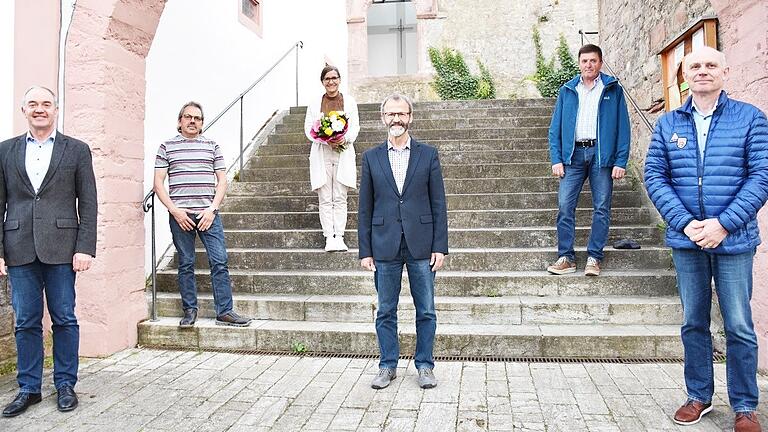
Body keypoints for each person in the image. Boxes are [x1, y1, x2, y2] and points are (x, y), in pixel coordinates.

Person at [644, 46, 767, 432]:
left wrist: (723, 224)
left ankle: (745, 405)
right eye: (694, 66)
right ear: (684, 75)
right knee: (693, 321)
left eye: (710, 65)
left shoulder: (750, 119)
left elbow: (761, 176)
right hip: (687, 241)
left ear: (725, 72)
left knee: (739, 325)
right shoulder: (667, 124)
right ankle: (698, 396)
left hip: (733, 240)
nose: (702, 71)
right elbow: (654, 176)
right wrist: (684, 223)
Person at [0, 86, 97, 417]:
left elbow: (89, 202)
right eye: (33, 104)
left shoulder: (77, 150)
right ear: (23, 110)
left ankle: (66, 384)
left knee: (64, 318)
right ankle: (29, 388)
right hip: (18, 248)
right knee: (26, 320)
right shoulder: (5, 150)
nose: (39, 109)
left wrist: (85, 247)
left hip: (62, 249)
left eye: (46, 104)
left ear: (56, 109)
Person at [358, 93, 448, 390]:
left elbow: (439, 204)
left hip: (422, 244)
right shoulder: (371, 157)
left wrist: (440, 246)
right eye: (391, 114)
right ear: (383, 118)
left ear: (410, 116)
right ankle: (387, 366)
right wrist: (365, 250)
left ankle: (424, 365)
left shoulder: (428, 154)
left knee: (426, 310)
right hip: (384, 245)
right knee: (385, 309)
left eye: (402, 114)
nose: (396, 119)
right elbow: (365, 207)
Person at [154, 101, 251, 328]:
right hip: (181, 216)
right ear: (180, 121)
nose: (192, 121)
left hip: (208, 214)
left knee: (219, 260)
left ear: (202, 123)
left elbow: (223, 180)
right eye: (187, 117)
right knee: (186, 263)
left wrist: (212, 209)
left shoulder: (212, 146)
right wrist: (174, 211)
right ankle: (189, 311)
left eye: (197, 118)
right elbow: (158, 183)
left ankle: (225, 311)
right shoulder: (166, 146)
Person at [546, 44, 631, 276]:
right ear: (579, 64)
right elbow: (555, 128)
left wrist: (620, 161)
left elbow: (623, 127)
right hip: (572, 156)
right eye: (584, 61)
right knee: (565, 206)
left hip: (601, 157)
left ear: (600, 63)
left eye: (593, 61)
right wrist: (557, 158)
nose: (589, 65)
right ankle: (566, 257)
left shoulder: (613, 89)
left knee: (601, 207)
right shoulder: (567, 90)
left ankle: (594, 257)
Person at [304, 65, 360, 252]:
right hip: (322, 152)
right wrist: (325, 139)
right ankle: (329, 236)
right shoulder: (314, 103)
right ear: (322, 82)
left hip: (343, 151)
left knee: (340, 196)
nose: (331, 82)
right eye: (327, 79)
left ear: (339, 79)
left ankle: (340, 236)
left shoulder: (349, 102)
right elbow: (308, 129)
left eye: (334, 78)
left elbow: (354, 127)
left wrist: (343, 138)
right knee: (325, 196)